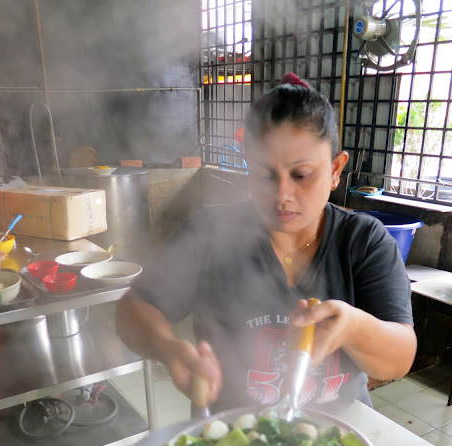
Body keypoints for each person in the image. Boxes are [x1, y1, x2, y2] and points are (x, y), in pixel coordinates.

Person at [116, 73, 417, 415]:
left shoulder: (363, 241)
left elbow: (400, 358)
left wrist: (353, 327)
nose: (282, 195)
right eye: (263, 174)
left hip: (337, 437)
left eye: (301, 175)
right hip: (233, 437)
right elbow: (133, 310)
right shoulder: (210, 232)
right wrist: (168, 348)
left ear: (335, 170)